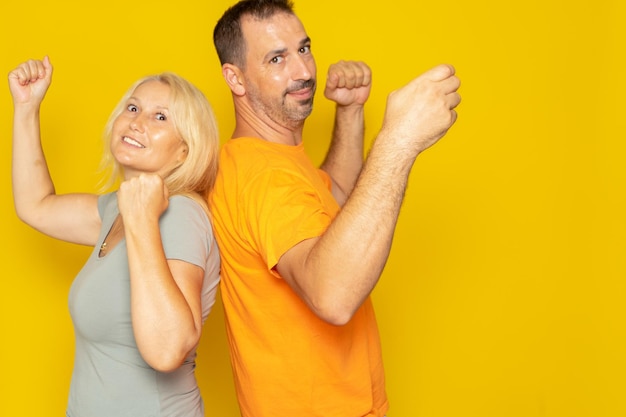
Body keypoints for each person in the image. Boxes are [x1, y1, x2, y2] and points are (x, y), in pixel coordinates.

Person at [209, 0, 461, 416]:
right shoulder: (264, 178)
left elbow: (336, 199)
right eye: (277, 58)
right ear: (235, 78)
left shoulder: (273, 162)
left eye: (303, 49)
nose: (304, 71)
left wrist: (350, 109)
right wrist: (399, 141)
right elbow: (333, 295)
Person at [9, 56, 221, 417]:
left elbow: (169, 349)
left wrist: (141, 221)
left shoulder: (180, 215)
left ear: (184, 150)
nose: (137, 122)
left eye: (160, 117)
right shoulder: (117, 210)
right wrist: (27, 109)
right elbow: (36, 205)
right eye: (133, 107)